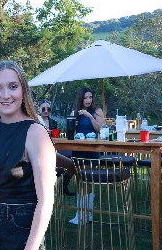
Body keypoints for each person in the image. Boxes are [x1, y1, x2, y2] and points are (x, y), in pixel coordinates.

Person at [0, 61, 56, 250]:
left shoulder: (36, 133)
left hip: (20, 229)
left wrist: (31, 247)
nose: (5, 95)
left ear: (23, 90)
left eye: (13, 87)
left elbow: (46, 201)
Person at [68, 87, 104, 225]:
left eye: (90, 97)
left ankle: (85, 214)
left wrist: (90, 116)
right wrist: (73, 124)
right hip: (78, 149)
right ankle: (81, 213)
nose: (88, 100)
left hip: (91, 149)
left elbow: (100, 129)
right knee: (80, 180)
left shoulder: (97, 111)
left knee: (87, 179)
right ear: (81, 99)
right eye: (85, 98)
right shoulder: (75, 112)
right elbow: (69, 132)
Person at [37, 99, 75, 196]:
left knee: (73, 162)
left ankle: (63, 186)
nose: (46, 111)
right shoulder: (35, 121)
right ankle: (50, 189)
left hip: (54, 148)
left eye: (48, 109)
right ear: (39, 109)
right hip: (42, 150)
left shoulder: (53, 122)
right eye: (43, 109)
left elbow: (55, 137)